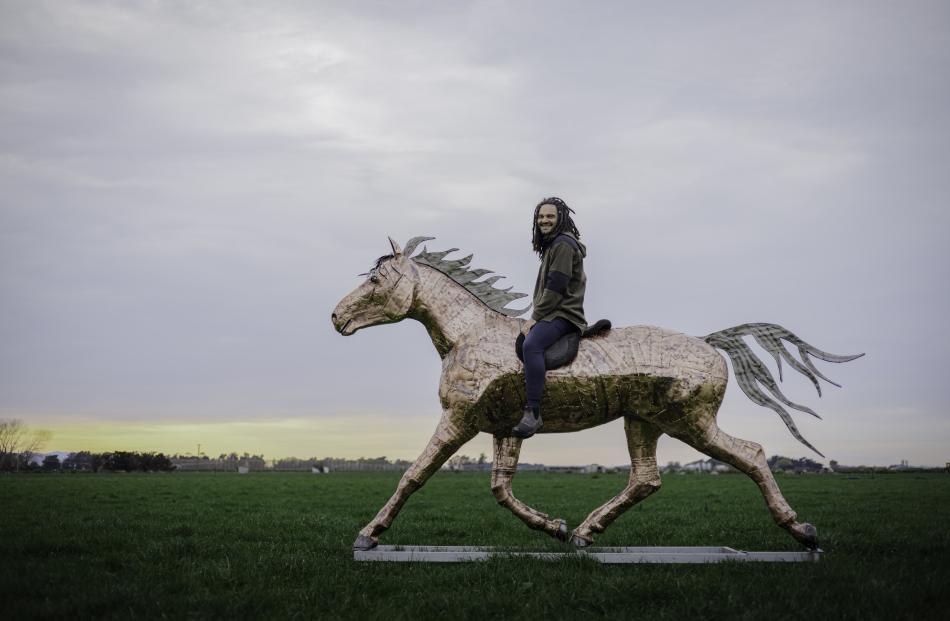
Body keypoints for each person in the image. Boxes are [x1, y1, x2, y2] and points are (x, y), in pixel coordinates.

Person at [512, 197, 587, 439]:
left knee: (532, 345)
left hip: (563, 313)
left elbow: (556, 286)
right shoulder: (554, 246)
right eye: (541, 217)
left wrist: (535, 317)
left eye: (550, 216)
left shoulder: (563, 245)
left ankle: (533, 412)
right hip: (554, 311)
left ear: (560, 219)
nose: (544, 220)